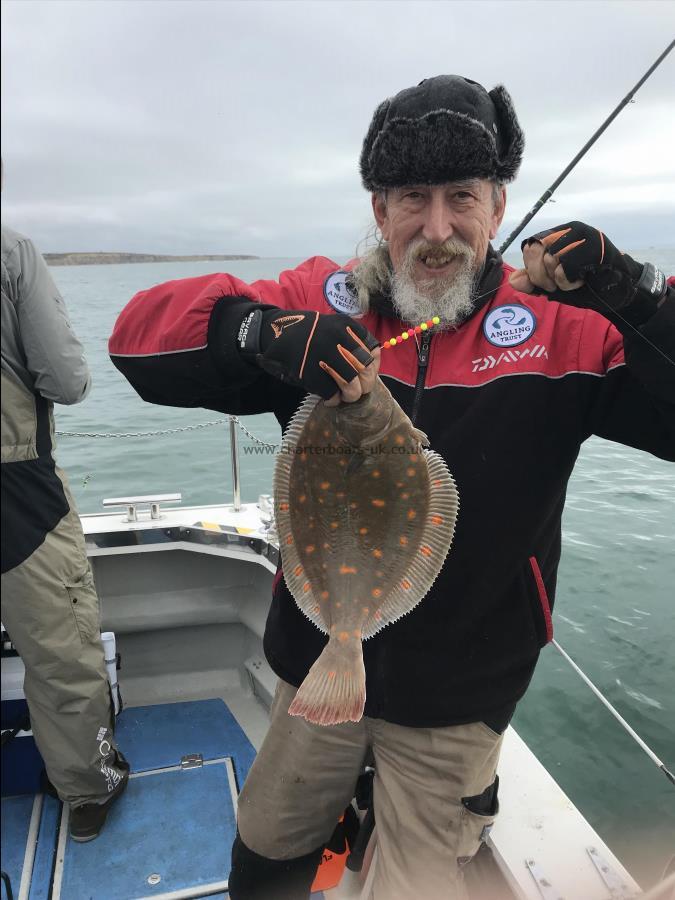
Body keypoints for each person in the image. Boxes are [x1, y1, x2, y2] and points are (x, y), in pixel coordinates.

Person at [108, 75, 674, 898]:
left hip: (459, 693)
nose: (436, 228)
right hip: (318, 665)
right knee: (262, 857)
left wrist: (640, 299)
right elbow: (136, 341)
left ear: (497, 203)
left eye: (461, 197)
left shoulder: (566, 328)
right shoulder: (319, 300)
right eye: (412, 197)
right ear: (379, 210)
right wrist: (254, 332)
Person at [1, 220, 129, 842]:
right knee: (60, 650)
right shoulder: (12, 252)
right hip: (17, 491)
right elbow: (67, 380)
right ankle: (85, 787)